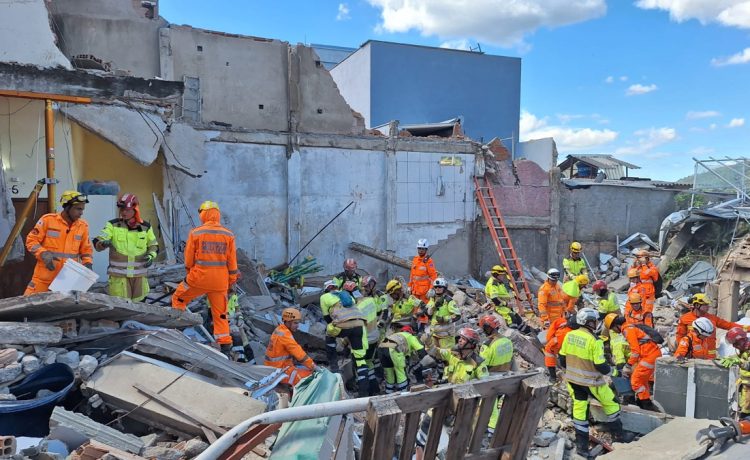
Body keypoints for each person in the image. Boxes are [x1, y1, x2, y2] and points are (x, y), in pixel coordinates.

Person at [558, 308, 634, 457]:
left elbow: (562, 359)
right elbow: (601, 366)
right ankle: (619, 436)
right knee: (612, 404)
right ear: (589, 322)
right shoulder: (594, 341)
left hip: (573, 380)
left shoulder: (570, 335)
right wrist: (616, 373)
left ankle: (582, 447)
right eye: (594, 321)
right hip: (592, 382)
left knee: (580, 411)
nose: (596, 323)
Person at [172, 201, 239, 355]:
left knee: (178, 298)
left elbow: (189, 259)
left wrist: (190, 272)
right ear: (217, 214)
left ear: (203, 214)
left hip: (199, 278)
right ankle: (225, 345)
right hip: (220, 282)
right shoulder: (228, 234)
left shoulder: (196, 233)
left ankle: (178, 329)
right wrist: (231, 280)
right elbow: (232, 261)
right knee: (220, 314)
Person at [24, 191, 94, 295]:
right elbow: (31, 240)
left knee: (62, 305)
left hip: (66, 280)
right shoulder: (48, 220)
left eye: (82, 209)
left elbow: (86, 250)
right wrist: (43, 253)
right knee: (30, 303)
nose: (81, 213)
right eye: (78, 209)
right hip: (44, 279)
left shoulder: (83, 226)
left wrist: (88, 263)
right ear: (67, 207)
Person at [93, 193, 158, 302]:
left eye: (127, 210)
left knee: (140, 306)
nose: (123, 212)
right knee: (120, 308)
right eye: (122, 209)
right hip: (119, 278)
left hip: (139, 278)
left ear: (135, 209)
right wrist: (102, 243)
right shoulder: (112, 225)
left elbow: (154, 245)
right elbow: (98, 240)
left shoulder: (146, 227)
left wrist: (151, 256)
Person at [608, 315, 662, 410]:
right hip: (651, 354)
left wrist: (628, 365)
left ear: (616, 325)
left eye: (613, 329)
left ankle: (647, 405)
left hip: (648, 356)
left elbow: (635, 351)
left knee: (635, 381)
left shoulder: (627, 330)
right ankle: (642, 401)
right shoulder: (630, 327)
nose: (614, 331)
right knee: (642, 381)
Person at [326, 290, 370, 397]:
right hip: (359, 326)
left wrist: (341, 340)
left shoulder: (335, 306)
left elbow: (333, 322)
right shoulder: (355, 306)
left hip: (343, 327)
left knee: (329, 333)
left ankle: (333, 363)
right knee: (360, 361)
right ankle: (364, 393)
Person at [676, 293, 745, 358]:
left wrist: (745, 328)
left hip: (710, 357)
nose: (708, 307)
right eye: (705, 305)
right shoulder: (684, 319)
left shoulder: (712, 318)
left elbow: (728, 325)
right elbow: (680, 337)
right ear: (697, 305)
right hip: (693, 356)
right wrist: (683, 352)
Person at [264, 308, 319, 386]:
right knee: (312, 377)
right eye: (295, 323)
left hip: (274, 368)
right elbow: (300, 354)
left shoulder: (280, 329)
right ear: (288, 322)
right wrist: (314, 366)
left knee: (305, 370)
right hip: (280, 372)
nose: (298, 326)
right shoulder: (285, 336)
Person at [479, 315, 514, 437]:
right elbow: (511, 359)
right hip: (505, 376)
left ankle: (491, 431)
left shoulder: (488, 344)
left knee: (490, 406)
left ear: (486, 328)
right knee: (498, 403)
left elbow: (483, 364)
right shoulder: (507, 341)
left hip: (491, 377)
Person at [351, 280, 383, 395]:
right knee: (370, 363)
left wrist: (344, 343)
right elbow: (379, 311)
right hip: (374, 337)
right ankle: (375, 389)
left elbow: (352, 328)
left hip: (363, 341)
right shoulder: (371, 300)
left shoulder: (355, 309)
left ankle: (364, 392)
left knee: (361, 365)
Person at [378, 326, 427, 393]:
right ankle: (403, 392)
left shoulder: (396, 335)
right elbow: (420, 349)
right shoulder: (411, 337)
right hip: (394, 349)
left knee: (389, 374)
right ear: (411, 332)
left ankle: (388, 393)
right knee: (400, 372)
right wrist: (423, 361)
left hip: (381, 347)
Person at [720, 327, 750, 420]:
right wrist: (730, 358)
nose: (734, 346)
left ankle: (745, 419)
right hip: (746, 383)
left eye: (735, 343)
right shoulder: (744, 348)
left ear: (741, 340)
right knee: (743, 403)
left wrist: (739, 361)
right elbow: (741, 357)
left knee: (748, 404)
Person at [426, 278, 461, 353]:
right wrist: (434, 306)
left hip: (446, 335)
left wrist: (445, 319)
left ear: (444, 288)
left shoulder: (449, 300)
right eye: (436, 287)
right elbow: (429, 314)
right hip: (434, 333)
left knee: (447, 354)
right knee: (434, 354)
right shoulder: (432, 299)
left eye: (440, 287)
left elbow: (457, 316)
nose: (437, 289)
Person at [544, 315, 577, 381]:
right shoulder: (563, 326)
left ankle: (553, 377)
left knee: (549, 351)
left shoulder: (561, 333)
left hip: (560, 340)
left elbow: (549, 339)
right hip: (567, 340)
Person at [320, 280, 341, 372]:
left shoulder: (324, 297)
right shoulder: (343, 294)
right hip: (353, 321)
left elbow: (326, 316)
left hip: (338, 323)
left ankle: (334, 366)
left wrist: (332, 325)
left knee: (329, 339)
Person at [409, 239, 437, 303]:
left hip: (424, 292)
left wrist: (431, 289)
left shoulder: (429, 261)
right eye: (419, 248)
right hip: (415, 291)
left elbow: (433, 275)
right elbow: (412, 275)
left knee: (424, 308)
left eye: (423, 249)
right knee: (415, 307)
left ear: (426, 250)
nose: (421, 250)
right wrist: (409, 286)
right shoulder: (415, 259)